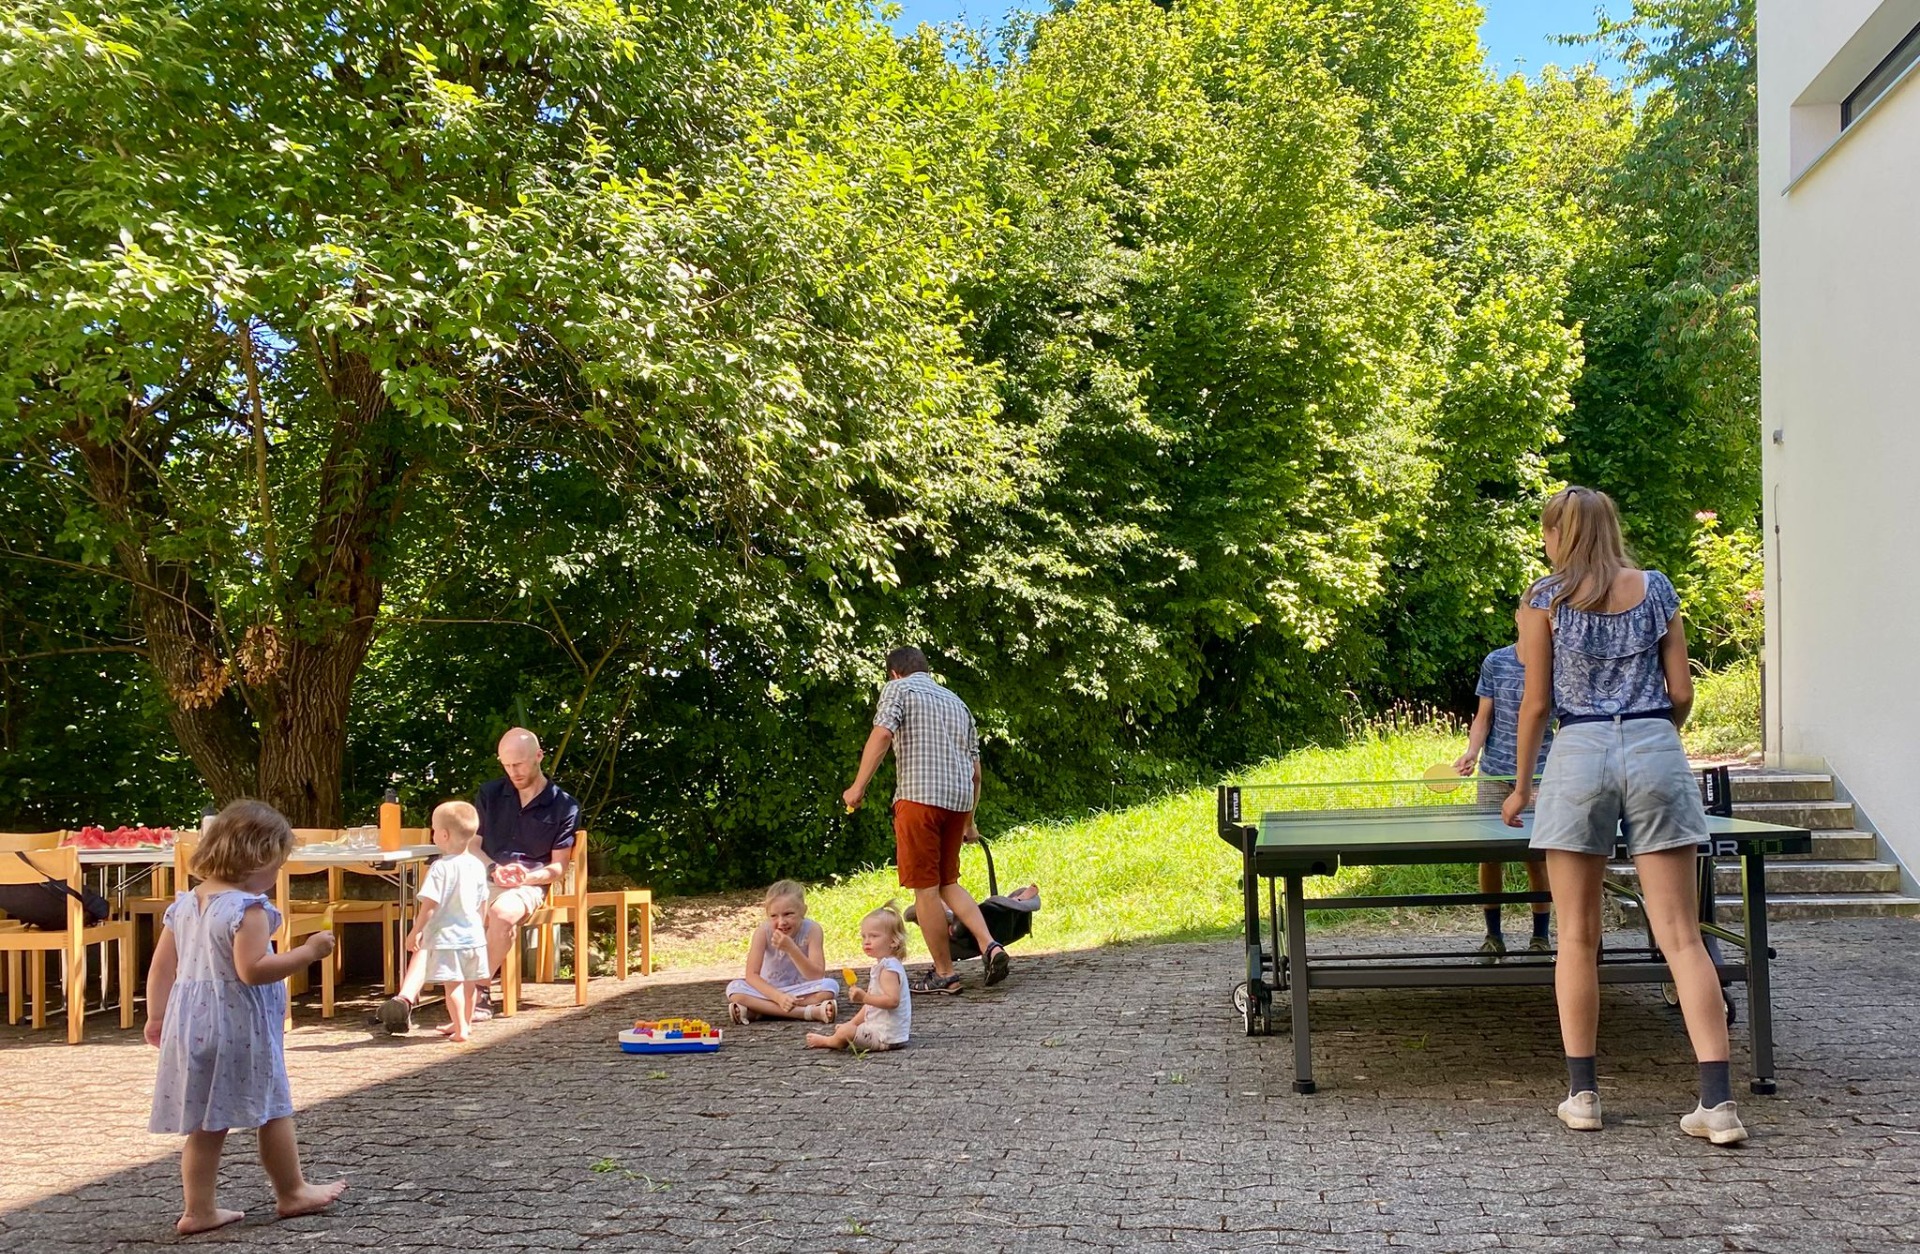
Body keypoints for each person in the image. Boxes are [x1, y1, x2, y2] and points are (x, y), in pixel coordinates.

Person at [1502, 485, 1748, 1145]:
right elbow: (1682, 691)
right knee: (1682, 937)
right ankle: (1718, 1105)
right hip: (1654, 743)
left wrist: (1521, 788)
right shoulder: (1657, 589)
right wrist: (1655, 739)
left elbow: (1535, 704)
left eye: (1548, 531)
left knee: (1577, 937)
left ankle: (1583, 1096)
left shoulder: (1544, 599)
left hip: (1579, 749)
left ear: (1560, 535)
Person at [145, 800, 348, 1235]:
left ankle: (198, 1210)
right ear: (259, 857)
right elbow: (252, 970)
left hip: (192, 1025)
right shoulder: (247, 908)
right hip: (237, 1025)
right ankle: (292, 1191)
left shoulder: (185, 905)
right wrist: (307, 952)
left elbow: (161, 967)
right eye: (278, 863)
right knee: (273, 1108)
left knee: (205, 1122)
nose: (278, 872)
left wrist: (157, 1016)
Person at [379, 727, 581, 1034]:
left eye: (519, 764)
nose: (513, 772)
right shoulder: (490, 793)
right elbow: (473, 845)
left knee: (502, 913)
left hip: (528, 883)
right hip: (481, 873)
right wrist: (492, 869)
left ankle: (479, 989)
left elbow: (558, 866)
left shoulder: (564, 805)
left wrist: (526, 876)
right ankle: (405, 999)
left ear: (539, 756)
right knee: (441, 915)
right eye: (507, 765)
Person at [842, 647, 1007, 995]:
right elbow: (976, 772)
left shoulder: (898, 689)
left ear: (894, 673)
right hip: (958, 801)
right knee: (948, 882)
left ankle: (945, 974)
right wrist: (969, 822)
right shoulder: (957, 703)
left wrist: (858, 787)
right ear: (925, 669)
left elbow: (882, 734)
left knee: (926, 889)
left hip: (919, 798)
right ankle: (990, 945)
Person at [1454, 613, 1556, 962]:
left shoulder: (1558, 664)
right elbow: (1483, 717)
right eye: (1532, 614)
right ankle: (1493, 936)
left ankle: (1540, 938)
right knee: (1489, 855)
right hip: (1494, 774)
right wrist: (1472, 751)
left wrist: (1558, 772)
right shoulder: (1496, 662)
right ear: (1518, 618)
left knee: (1537, 857)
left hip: (1541, 776)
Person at [405, 801, 490, 1043]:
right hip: (474, 937)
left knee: (452, 985)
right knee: (470, 984)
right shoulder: (477, 865)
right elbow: (483, 901)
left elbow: (430, 905)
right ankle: (464, 1022)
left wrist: (416, 931)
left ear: (443, 835)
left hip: (447, 938)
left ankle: (461, 1029)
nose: (433, 834)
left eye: (433, 829)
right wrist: (481, 926)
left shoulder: (440, 868)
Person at [725, 880, 839, 1025]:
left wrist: (792, 949)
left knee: (830, 987)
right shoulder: (762, 932)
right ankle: (807, 1013)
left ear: (803, 910)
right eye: (774, 916)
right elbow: (751, 975)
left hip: (801, 990)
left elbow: (816, 975)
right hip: (769, 991)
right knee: (734, 989)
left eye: (788, 914)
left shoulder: (813, 930)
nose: (781, 922)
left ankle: (760, 1010)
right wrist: (778, 997)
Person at [807, 905, 911, 1052]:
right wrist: (852, 1023)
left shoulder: (888, 969)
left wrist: (864, 997)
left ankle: (831, 1041)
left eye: (874, 936)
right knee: (847, 1029)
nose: (867, 941)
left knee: (845, 1032)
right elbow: (870, 1006)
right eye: (864, 936)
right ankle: (843, 1034)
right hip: (884, 1032)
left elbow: (892, 1001)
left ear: (893, 941)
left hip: (885, 1037)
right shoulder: (884, 965)